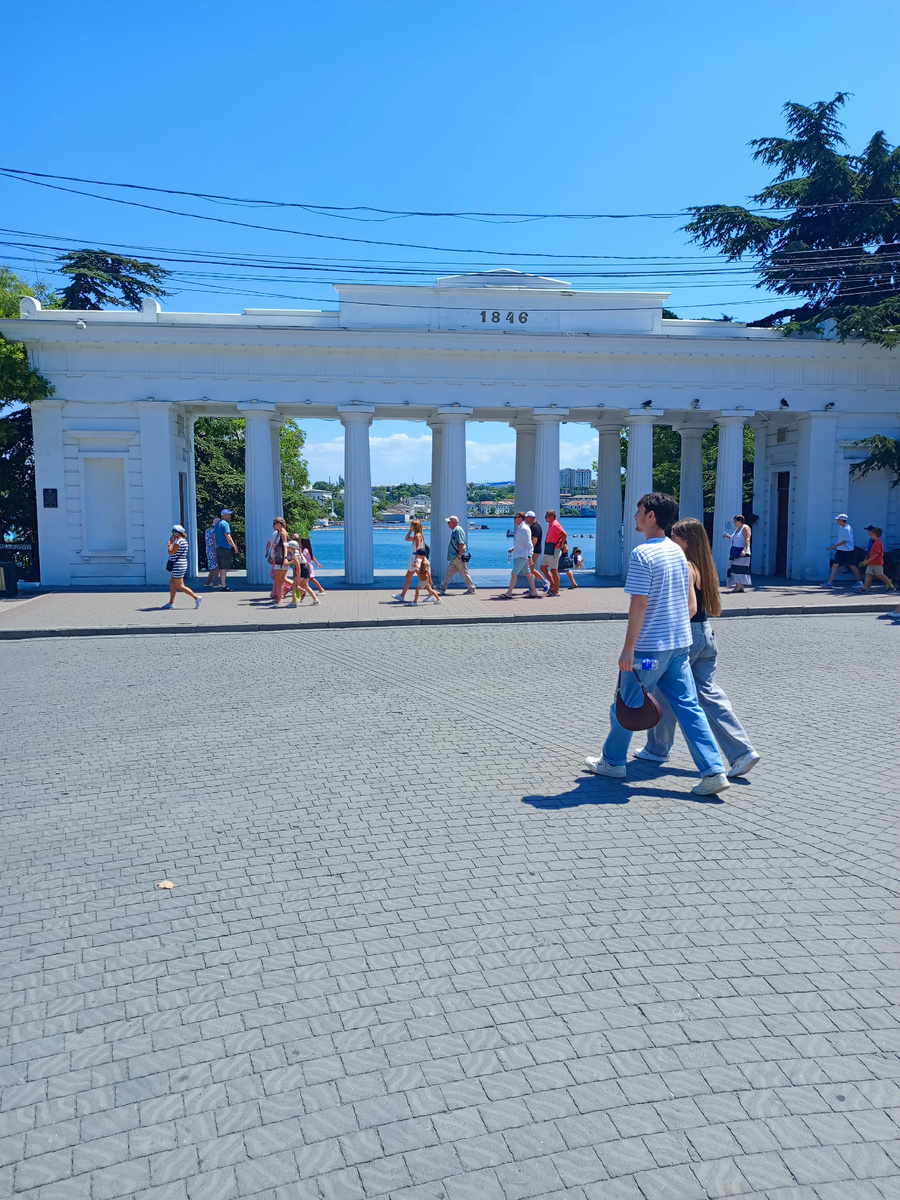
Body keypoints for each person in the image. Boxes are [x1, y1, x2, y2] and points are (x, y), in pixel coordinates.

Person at [584, 492, 730, 796]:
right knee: (689, 707)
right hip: (678, 646)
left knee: (627, 700)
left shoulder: (642, 554)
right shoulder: (677, 552)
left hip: (649, 652)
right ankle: (714, 769)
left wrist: (628, 650)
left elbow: (639, 604)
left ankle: (612, 761)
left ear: (651, 516)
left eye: (638, 510)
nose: (635, 515)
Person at [637, 517, 760, 779]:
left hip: (687, 636)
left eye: (674, 538)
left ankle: (658, 749)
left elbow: (689, 608)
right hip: (706, 634)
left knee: (659, 684)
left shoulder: (684, 564)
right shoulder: (705, 564)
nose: (670, 542)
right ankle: (742, 751)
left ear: (685, 542)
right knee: (709, 694)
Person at [499, 512, 540, 599]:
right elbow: (520, 542)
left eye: (515, 517)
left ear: (520, 518)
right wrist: (513, 548)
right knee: (528, 573)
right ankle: (534, 591)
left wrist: (530, 556)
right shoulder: (520, 528)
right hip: (520, 554)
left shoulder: (524, 529)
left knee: (514, 573)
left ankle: (509, 592)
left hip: (523, 555)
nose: (514, 519)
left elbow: (529, 543)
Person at [164, 525, 202, 610]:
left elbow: (171, 552)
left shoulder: (179, 542)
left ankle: (196, 597)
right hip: (180, 564)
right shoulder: (183, 541)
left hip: (178, 565)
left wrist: (170, 543)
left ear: (176, 533)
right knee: (172, 582)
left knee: (180, 585)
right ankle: (171, 602)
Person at [438, 516, 477, 594]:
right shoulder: (455, 530)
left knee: (464, 573)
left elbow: (461, 543)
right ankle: (442, 588)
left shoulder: (457, 530)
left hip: (458, 557)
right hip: (455, 557)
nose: (448, 524)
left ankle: (472, 589)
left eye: (449, 522)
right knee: (450, 572)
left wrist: (460, 555)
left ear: (453, 522)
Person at [824, 514, 861, 587]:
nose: (837, 521)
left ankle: (859, 581)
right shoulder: (841, 527)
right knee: (835, 564)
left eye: (838, 519)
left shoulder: (847, 529)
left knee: (852, 565)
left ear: (841, 520)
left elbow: (845, 541)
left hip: (848, 550)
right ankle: (830, 582)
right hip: (841, 550)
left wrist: (833, 546)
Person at [396, 519, 427, 602]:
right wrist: (410, 531)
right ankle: (402, 595)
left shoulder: (417, 536)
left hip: (415, 558)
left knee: (421, 578)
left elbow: (418, 548)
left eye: (411, 526)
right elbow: (407, 539)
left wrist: (416, 561)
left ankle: (432, 594)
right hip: (415, 557)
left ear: (415, 526)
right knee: (410, 577)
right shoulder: (418, 535)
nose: (410, 527)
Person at [856, 526, 893, 592]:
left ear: (875, 535)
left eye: (872, 534)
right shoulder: (875, 542)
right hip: (871, 562)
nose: (871, 536)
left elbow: (877, 553)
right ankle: (865, 588)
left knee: (881, 575)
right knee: (868, 573)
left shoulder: (878, 543)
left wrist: (867, 560)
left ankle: (891, 586)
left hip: (877, 562)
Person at [724, 515, 751, 592]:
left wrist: (744, 550)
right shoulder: (737, 530)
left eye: (735, 521)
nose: (734, 523)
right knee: (734, 568)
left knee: (737, 569)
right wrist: (727, 535)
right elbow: (733, 538)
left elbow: (747, 539)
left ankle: (738, 586)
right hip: (734, 552)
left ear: (739, 521)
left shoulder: (745, 528)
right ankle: (740, 586)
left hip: (742, 552)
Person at [524, 510, 549, 593]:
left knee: (531, 569)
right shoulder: (533, 527)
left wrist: (530, 552)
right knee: (531, 569)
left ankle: (545, 582)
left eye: (527, 517)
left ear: (532, 518)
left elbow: (534, 540)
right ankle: (532, 587)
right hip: (534, 550)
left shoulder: (535, 527)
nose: (526, 519)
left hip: (535, 550)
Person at [287, 539, 318, 606]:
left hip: (302, 569)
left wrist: (297, 576)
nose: (286, 548)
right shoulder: (298, 552)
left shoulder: (295, 556)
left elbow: (298, 567)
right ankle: (316, 600)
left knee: (295, 585)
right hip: (306, 568)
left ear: (291, 548)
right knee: (305, 586)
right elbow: (297, 561)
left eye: (288, 547)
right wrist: (289, 563)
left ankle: (294, 602)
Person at [542, 510, 566, 595]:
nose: (545, 518)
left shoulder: (555, 525)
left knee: (554, 570)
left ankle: (556, 590)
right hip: (549, 550)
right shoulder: (551, 525)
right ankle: (552, 584)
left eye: (547, 516)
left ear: (552, 517)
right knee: (543, 567)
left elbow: (564, 534)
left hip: (554, 550)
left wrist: (562, 544)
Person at [266, 518, 290, 605]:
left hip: (281, 559)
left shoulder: (283, 533)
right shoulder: (279, 533)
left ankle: (280, 599)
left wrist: (285, 558)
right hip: (279, 558)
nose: (273, 525)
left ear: (279, 523)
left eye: (275, 523)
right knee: (280, 579)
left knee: (279, 580)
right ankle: (279, 598)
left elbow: (285, 546)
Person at [214, 509, 239, 591]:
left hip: (218, 548)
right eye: (228, 514)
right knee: (224, 568)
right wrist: (234, 546)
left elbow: (214, 536)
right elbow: (228, 536)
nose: (230, 516)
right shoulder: (225, 524)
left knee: (221, 568)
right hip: (225, 548)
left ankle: (223, 584)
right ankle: (224, 586)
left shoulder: (217, 524)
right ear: (224, 515)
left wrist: (216, 545)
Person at [204, 518, 220, 587]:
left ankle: (207, 582)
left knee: (213, 566)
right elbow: (215, 540)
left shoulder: (207, 530)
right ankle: (215, 583)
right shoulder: (215, 531)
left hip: (208, 550)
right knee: (217, 566)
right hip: (214, 549)